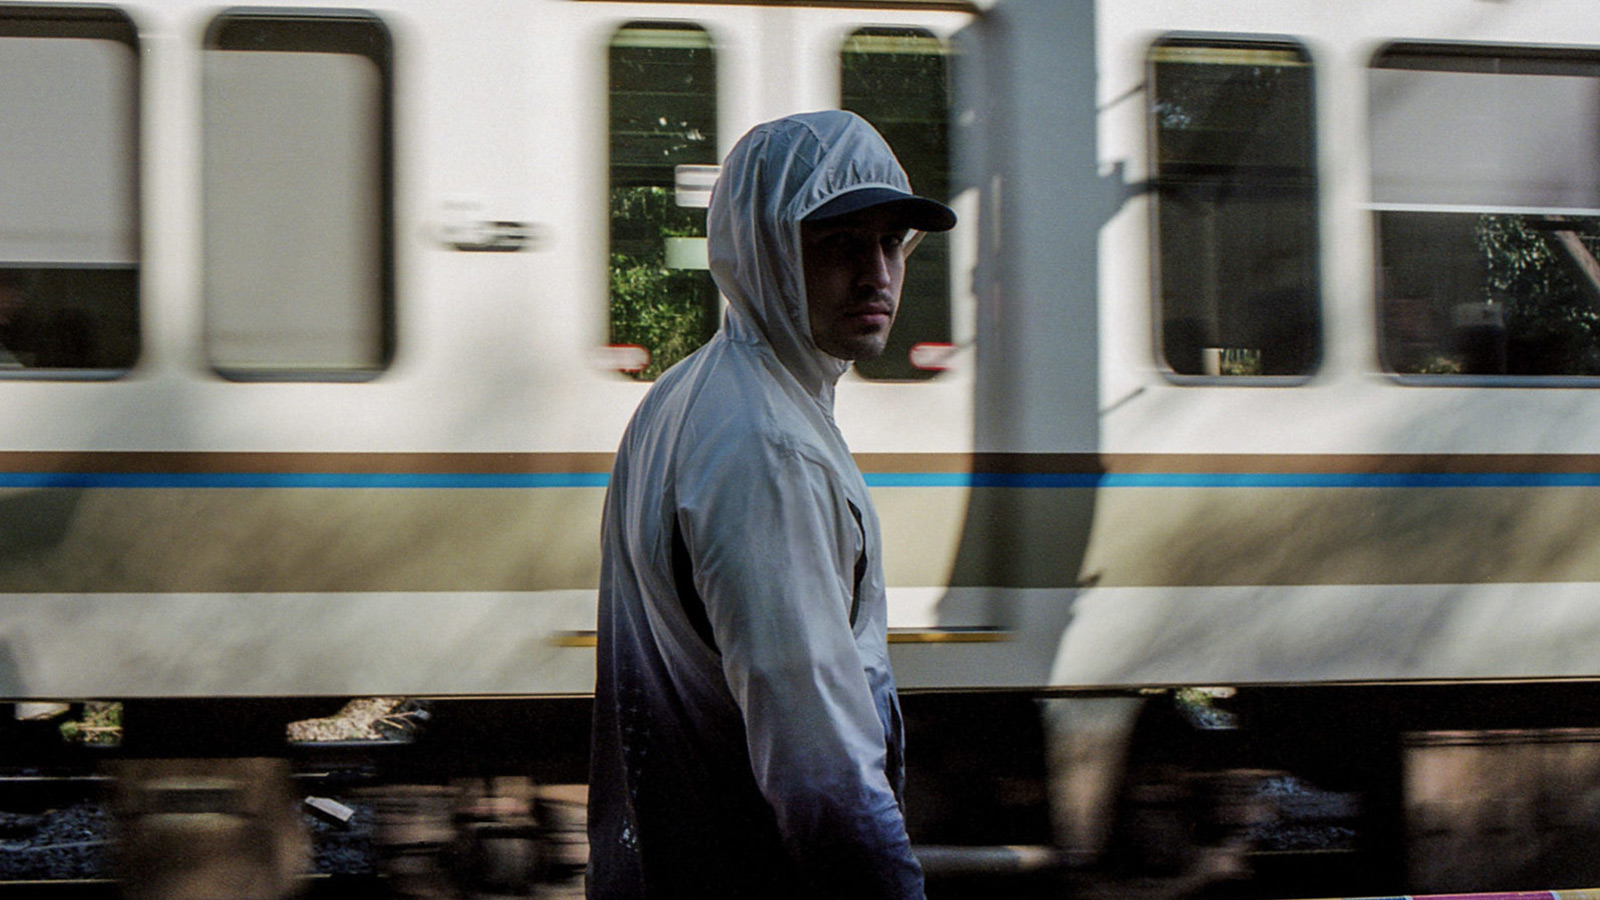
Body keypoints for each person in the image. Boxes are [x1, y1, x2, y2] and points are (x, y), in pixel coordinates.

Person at [587, 109, 956, 900]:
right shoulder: (771, 447)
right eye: (840, 244)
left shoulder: (684, 397)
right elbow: (823, 774)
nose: (878, 274)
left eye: (891, 243)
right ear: (763, 252)